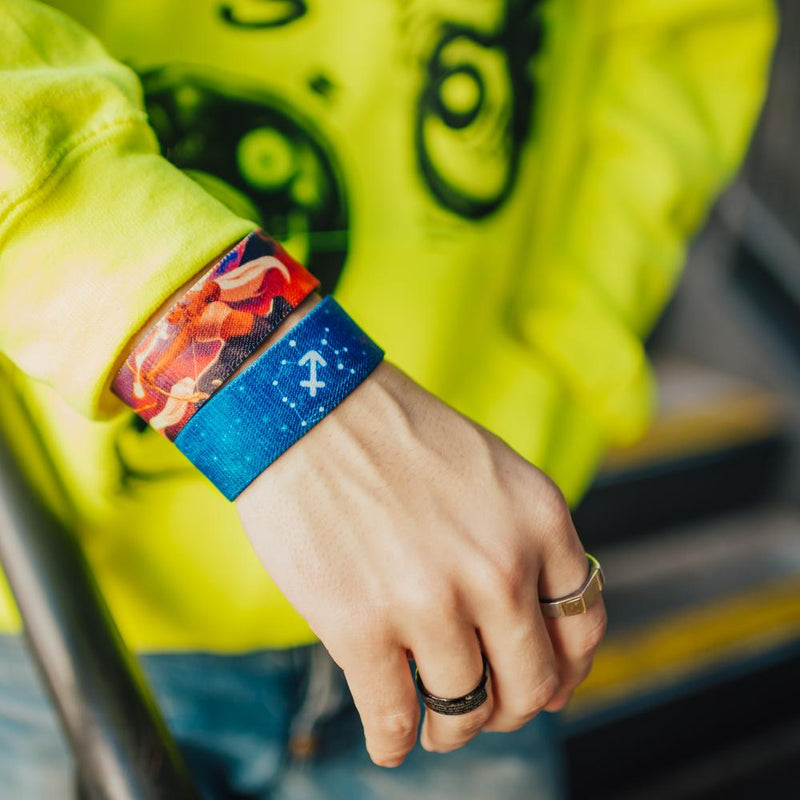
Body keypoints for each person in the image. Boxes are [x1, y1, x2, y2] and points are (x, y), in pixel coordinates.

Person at [0, 0, 776, 797]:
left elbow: (681, 32)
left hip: (473, 584)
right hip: (52, 611)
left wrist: (560, 352)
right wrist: (267, 386)